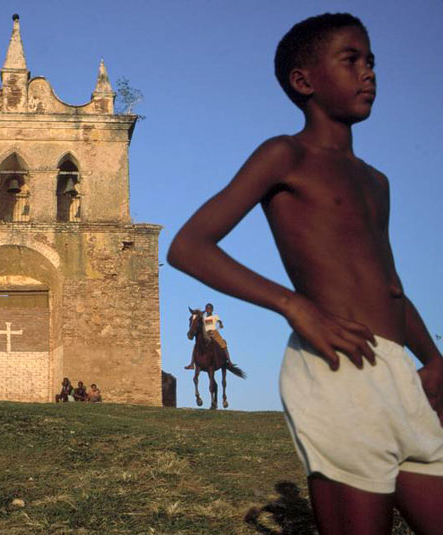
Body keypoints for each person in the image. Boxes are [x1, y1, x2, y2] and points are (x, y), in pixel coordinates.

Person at [168, 13, 442, 535]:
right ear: (304, 80)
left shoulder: (376, 181)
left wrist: (432, 357)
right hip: (337, 363)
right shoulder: (284, 155)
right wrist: (295, 305)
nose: (369, 74)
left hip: (398, 371)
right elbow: (188, 246)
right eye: (351, 60)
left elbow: (390, 286)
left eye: (372, 62)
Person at [184, 303, 234, 369]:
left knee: (223, 344)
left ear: (212, 310)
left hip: (214, 333)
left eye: (209, 309)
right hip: (206, 333)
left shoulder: (215, 317)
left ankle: (229, 361)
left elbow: (219, 321)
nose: (208, 310)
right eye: (207, 309)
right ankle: (192, 364)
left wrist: (220, 323)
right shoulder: (204, 318)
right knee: (196, 346)